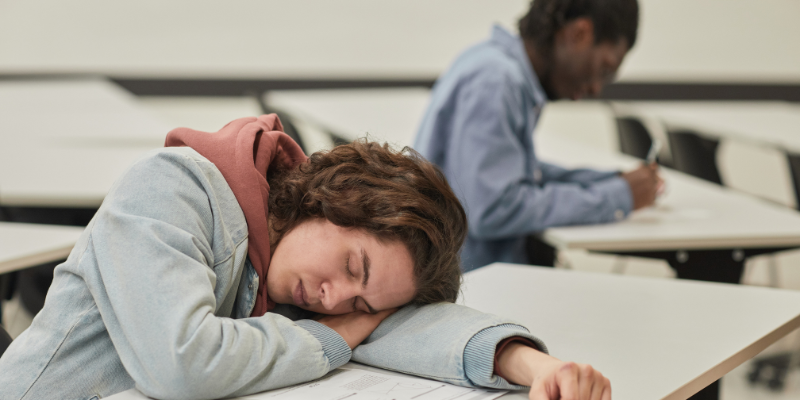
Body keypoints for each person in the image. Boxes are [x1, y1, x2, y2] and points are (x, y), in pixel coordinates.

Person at [0, 115, 611, 400]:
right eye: (353, 269)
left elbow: (403, 324)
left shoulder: (290, 270)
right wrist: (329, 340)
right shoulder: (169, 189)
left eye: (363, 302)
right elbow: (181, 364)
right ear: (333, 199)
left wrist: (531, 367)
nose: (337, 301)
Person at [414, 0, 661, 272]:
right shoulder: (497, 80)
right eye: (603, 69)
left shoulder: (495, 65)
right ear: (579, 33)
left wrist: (610, 181)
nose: (595, 88)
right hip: (478, 288)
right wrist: (617, 197)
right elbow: (494, 208)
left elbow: (519, 173)